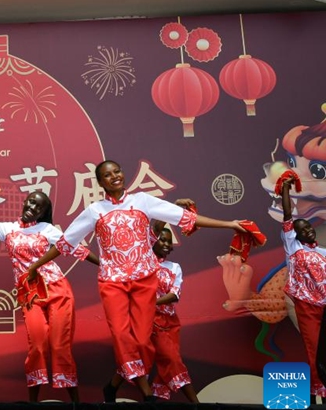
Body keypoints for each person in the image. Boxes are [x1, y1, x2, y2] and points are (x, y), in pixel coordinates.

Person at [29, 160, 246, 402]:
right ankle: (146, 394)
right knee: (122, 336)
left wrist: (230, 224)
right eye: (107, 175)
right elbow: (65, 244)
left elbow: (185, 217)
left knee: (142, 341)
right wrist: (36, 266)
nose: (114, 177)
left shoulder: (142, 201)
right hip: (112, 282)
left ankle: (112, 387)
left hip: (144, 280)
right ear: (100, 183)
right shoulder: (94, 210)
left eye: (117, 172)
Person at [0, 176, 98, 402]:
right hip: (30, 295)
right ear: (24, 203)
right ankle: (32, 403)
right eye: (30, 201)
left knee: (59, 346)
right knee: (37, 345)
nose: (32, 206)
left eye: (38, 206)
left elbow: (78, 250)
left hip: (57, 290)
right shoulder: (7, 228)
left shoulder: (48, 229)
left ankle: (76, 402)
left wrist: (106, 266)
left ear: (43, 212)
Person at [104, 222, 199, 402]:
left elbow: (174, 295)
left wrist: (151, 302)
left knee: (148, 357)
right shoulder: (141, 264)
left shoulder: (174, 267)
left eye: (169, 242)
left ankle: (111, 387)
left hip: (169, 322)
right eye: (162, 240)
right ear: (153, 241)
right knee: (171, 359)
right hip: (144, 318)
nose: (166, 244)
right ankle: (194, 403)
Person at [280, 174, 326, 400]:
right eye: (301, 228)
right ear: (294, 234)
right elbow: (288, 217)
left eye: (308, 226)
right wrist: (285, 190)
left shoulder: (322, 253)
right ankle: (319, 394)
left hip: (325, 305)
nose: (307, 230)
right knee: (315, 350)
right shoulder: (292, 247)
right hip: (308, 307)